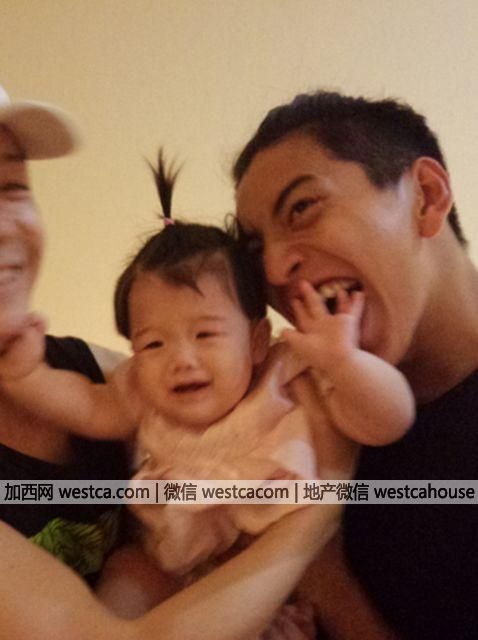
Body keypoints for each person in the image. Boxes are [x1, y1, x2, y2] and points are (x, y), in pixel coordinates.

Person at [0, 154, 413, 626]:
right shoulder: (141, 390)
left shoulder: (286, 374)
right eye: (153, 343)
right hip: (179, 573)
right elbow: (88, 406)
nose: (181, 359)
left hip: (278, 576)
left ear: (256, 341)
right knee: (131, 568)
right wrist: (27, 376)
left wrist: (345, 363)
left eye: (205, 334)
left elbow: (389, 420)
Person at [232, 89, 478, 640]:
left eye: (302, 209)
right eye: (254, 249)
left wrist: (321, 578)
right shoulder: (302, 426)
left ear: (427, 196)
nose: (274, 268)